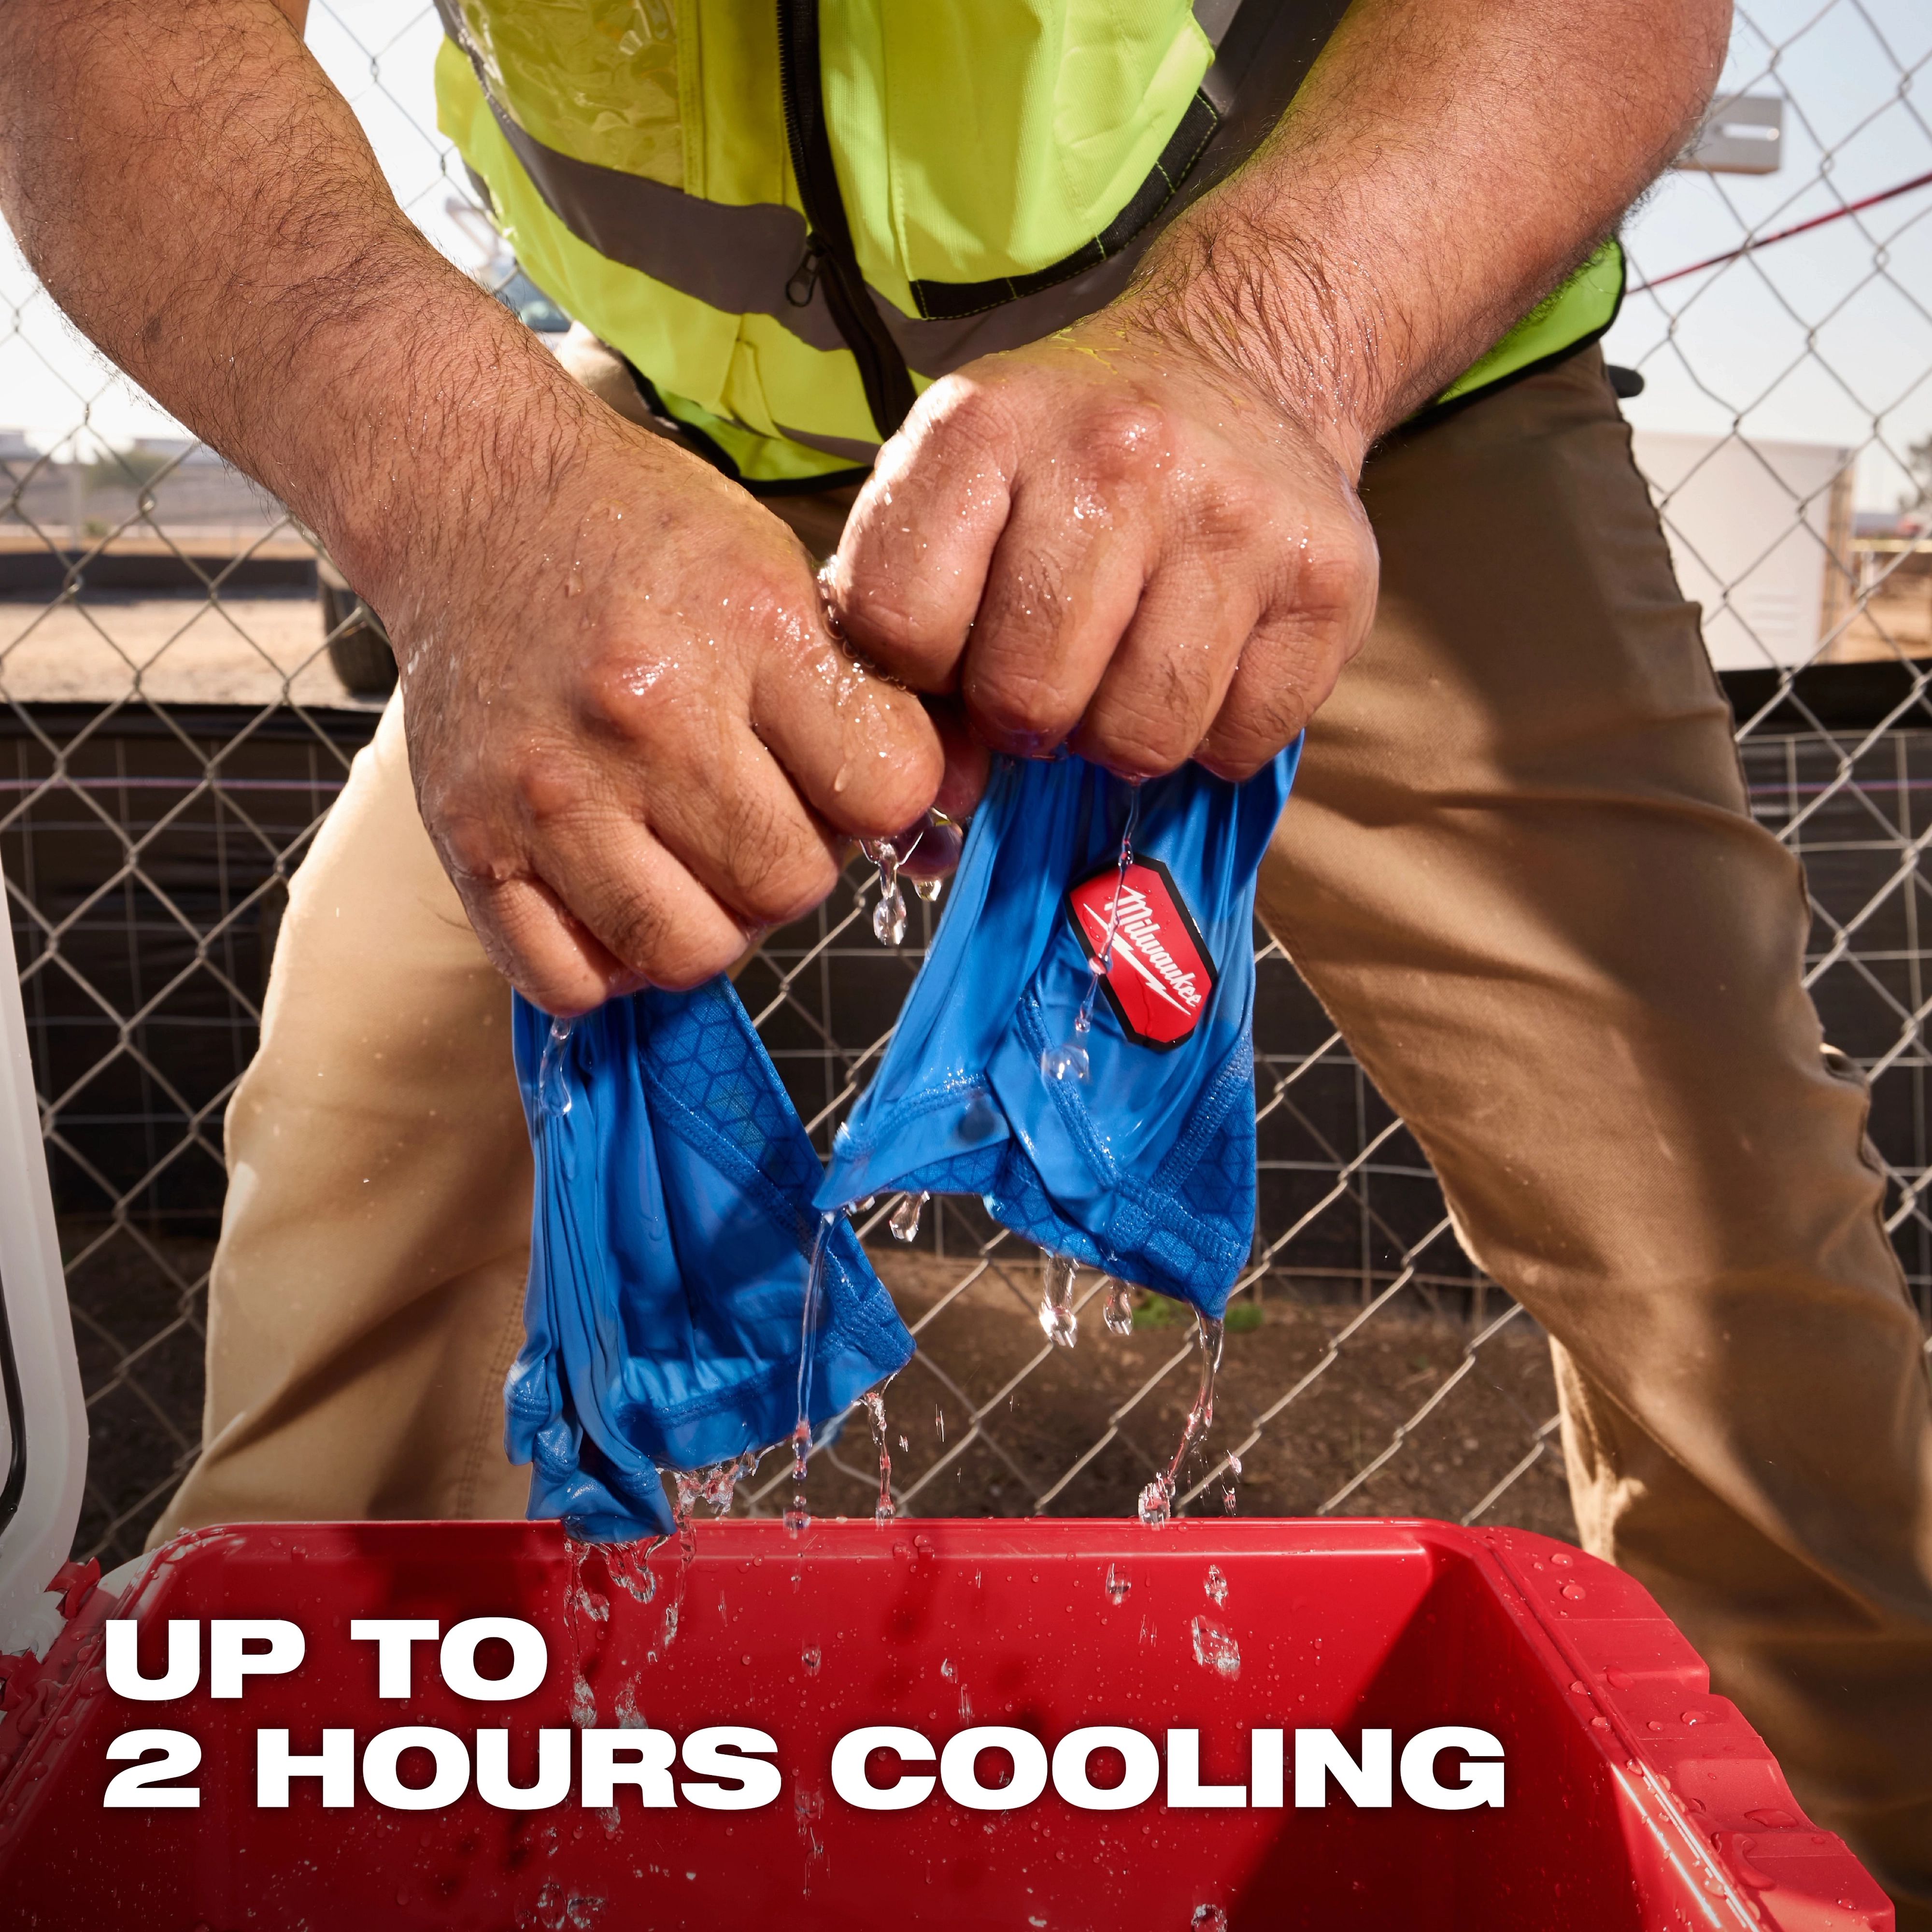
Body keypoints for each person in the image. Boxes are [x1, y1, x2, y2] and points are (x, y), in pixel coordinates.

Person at [2, 0, 1927, 1913]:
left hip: (1344, 398)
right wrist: (467, 491)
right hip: (670, 448)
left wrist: (1279, 333)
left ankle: (1849, 1853)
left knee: (1714, 1243)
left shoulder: (1314, 367)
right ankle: (255, 1855)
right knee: (368, 1150)